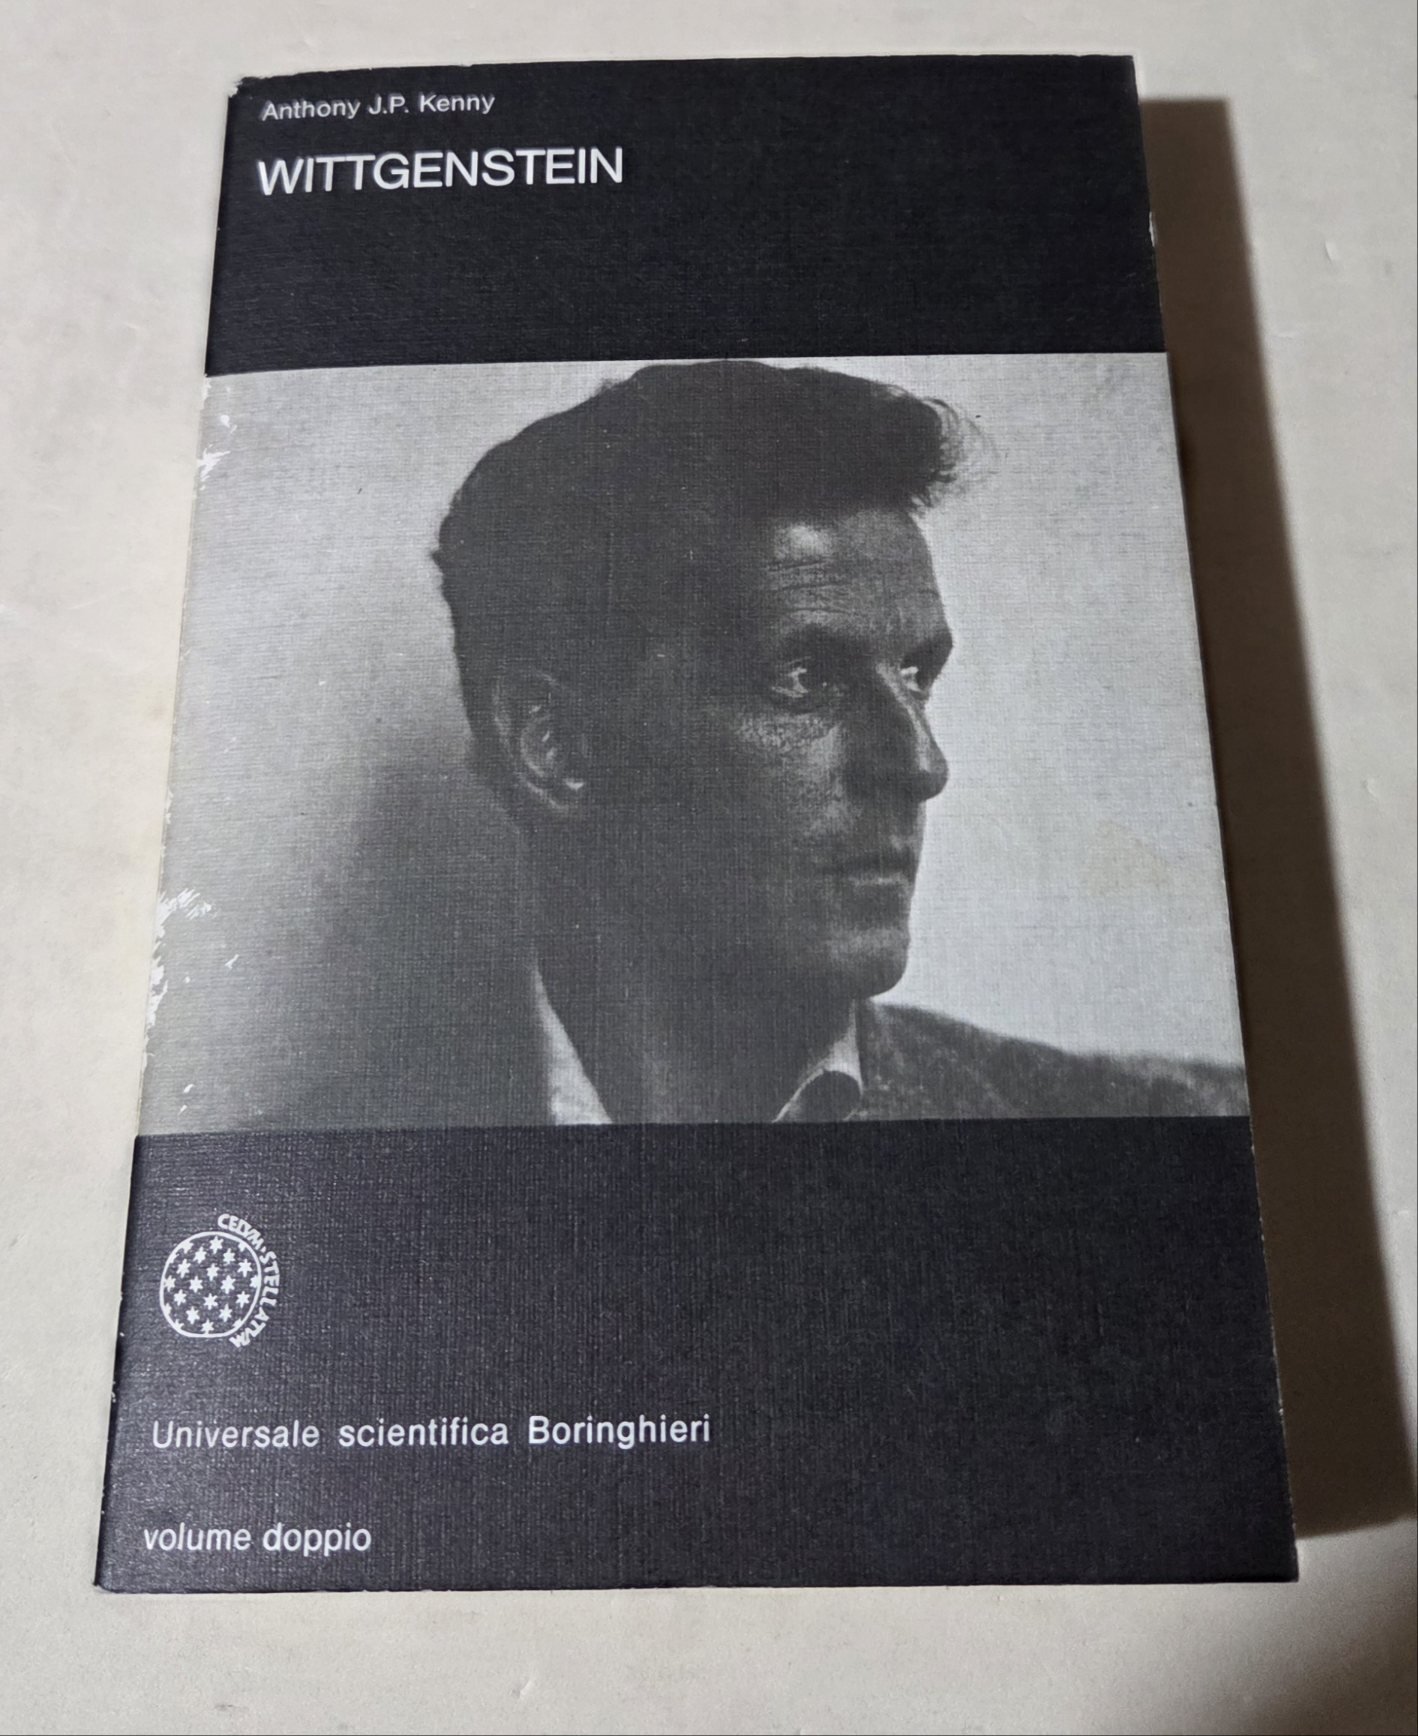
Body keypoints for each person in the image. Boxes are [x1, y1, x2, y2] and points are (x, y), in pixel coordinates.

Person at [434, 361, 1245, 1123]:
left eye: (916, 675)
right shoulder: (373, 1140)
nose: (921, 764)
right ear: (558, 748)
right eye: (804, 677)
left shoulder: (1157, 1124)